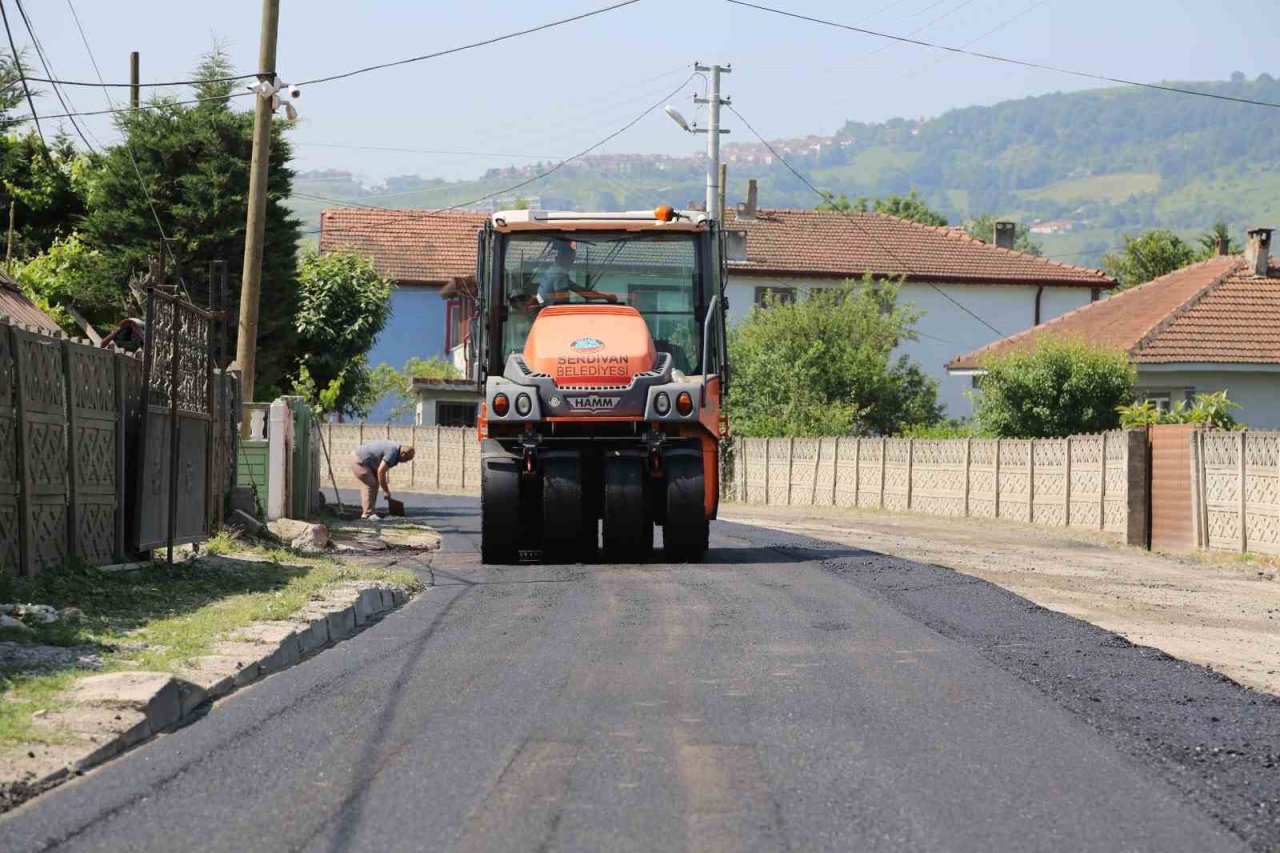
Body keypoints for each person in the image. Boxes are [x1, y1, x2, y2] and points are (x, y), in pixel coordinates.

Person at [350, 440, 415, 520]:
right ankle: (367, 514)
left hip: (365, 462)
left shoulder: (395, 449)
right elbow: (381, 472)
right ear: (403, 454)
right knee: (371, 483)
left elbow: (379, 471)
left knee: (374, 483)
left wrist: (384, 487)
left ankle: (370, 511)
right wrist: (386, 491)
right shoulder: (393, 453)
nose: (405, 462)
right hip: (359, 460)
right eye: (406, 459)